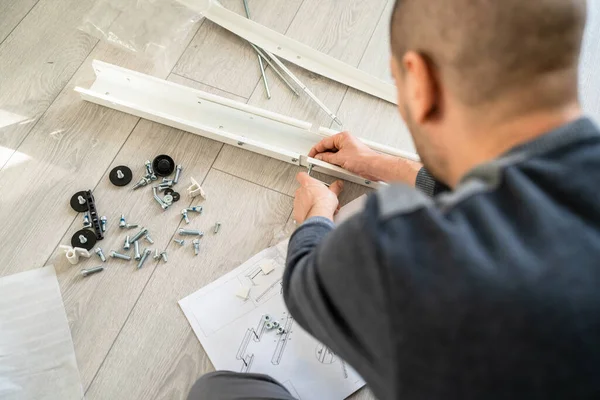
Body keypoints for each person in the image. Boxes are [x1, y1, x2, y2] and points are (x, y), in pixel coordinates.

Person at [189, 0, 600, 398]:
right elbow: (515, 196)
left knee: (215, 392)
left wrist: (315, 217)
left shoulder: (402, 249)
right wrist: (380, 164)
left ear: (418, 80)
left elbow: (305, 285)